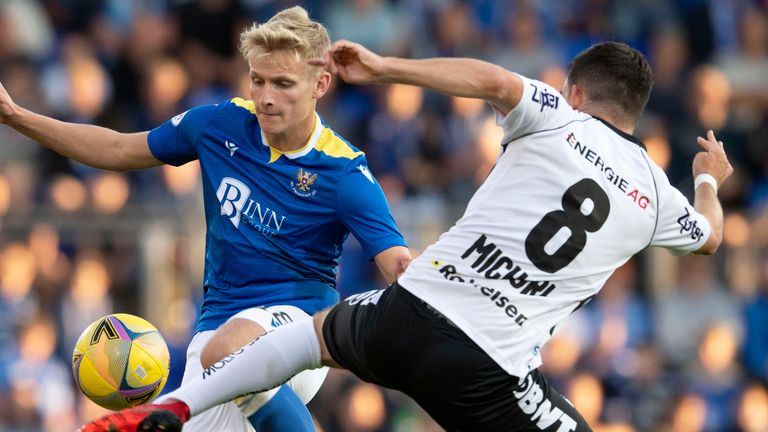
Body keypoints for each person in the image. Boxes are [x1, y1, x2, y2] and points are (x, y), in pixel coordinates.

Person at [79, 39, 733, 432]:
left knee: (311, 339)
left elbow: (493, 81)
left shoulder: (557, 115)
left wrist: (385, 67)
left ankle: (174, 406)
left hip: (409, 310)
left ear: (577, 90)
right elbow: (708, 236)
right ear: (634, 111)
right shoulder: (655, 193)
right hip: (488, 367)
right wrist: (708, 177)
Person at [0, 8, 411, 432]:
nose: (266, 97)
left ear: (320, 84)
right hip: (213, 331)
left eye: (283, 84)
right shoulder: (219, 125)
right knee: (217, 357)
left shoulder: (343, 172)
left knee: (230, 348)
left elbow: (396, 263)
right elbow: (118, 150)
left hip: (298, 328)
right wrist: (17, 116)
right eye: (258, 80)